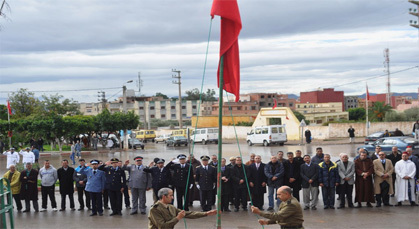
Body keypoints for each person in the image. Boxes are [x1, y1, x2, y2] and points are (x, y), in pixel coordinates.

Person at [148, 188, 217, 229]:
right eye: (170, 195)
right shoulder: (155, 209)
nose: (172, 197)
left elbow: (187, 214)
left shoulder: (170, 207)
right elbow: (162, 227)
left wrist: (206, 213)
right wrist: (177, 218)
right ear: (164, 197)